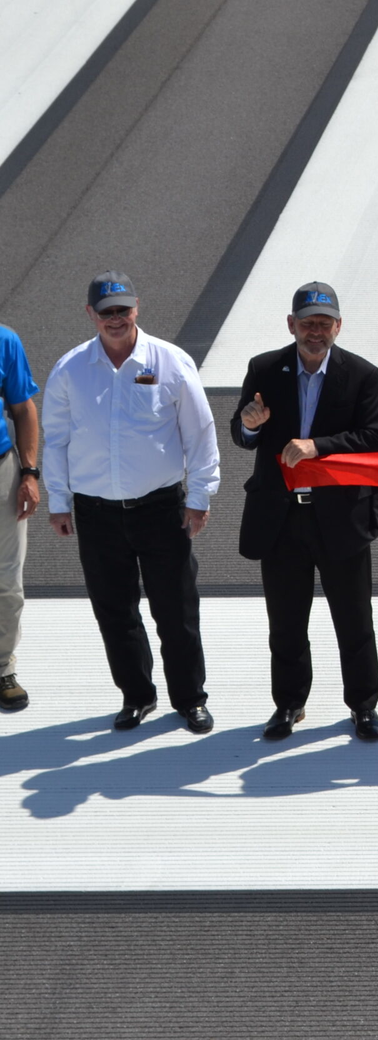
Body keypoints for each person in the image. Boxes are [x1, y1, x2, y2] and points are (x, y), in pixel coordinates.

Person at [42, 273, 219, 733]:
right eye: (107, 313)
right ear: (90, 315)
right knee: (115, 612)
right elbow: (56, 440)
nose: (116, 319)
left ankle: (190, 699)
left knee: (175, 610)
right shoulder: (69, 369)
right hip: (96, 513)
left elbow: (200, 435)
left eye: (123, 310)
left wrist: (198, 498)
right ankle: (137, 696)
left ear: (137, 307)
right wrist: (58, 503)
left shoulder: (172, 362)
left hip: (161, 509)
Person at [231, 283, 378, 742]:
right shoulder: (263, 368)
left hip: (340, 516)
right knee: (285, 622)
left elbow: (373, 438)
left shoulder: (361, 374)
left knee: (354, 619)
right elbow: (241, 434)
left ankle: (363, 705)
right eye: (307, 323)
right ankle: (289, 704)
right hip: (281, 519)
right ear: (291, 325)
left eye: (324, 323)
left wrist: (317, 447)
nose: (315, 332)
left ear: (337, 326)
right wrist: (248, 425)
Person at [0, 319, 40, 713]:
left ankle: (2, 668)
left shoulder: (4, 339)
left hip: (2, 472)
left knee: (7, 582)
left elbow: (23, 408)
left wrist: (29, 473)